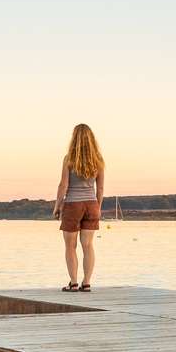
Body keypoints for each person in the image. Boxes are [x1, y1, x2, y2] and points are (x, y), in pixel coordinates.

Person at [53, 123, 105, 291]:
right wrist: (98, 206)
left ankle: (73, 282)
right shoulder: (98, 160)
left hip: (73, 205)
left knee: (70, 246)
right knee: (88, 245)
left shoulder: (69, 158)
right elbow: (101, 188)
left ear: (74, 138)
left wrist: (57, 206)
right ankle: (87, 282)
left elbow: (63, 185)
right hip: (92, 205)